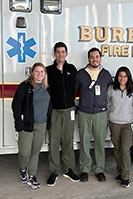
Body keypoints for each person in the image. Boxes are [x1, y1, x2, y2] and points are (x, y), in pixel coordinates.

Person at [12, 62, 52, 190]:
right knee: (24, 152)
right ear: (32, 73)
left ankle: (32, 175)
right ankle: (23, 169)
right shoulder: (25, 87)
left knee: (35, 152)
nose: (39, 74)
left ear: (45, 74)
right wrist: (19, 123)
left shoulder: (47, 88)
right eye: (37, 71)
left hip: (42, 124)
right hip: (27, 124)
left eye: (42, 72)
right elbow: (16, 104)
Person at [75, 47, 113, 182]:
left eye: (97, 57)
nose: (94, 59)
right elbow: (72, 90)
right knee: (84, 142)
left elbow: (111, 92)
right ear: (88, 59)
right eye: (92, 57)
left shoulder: (106, 75)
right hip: (84, 112)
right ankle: (85, 169)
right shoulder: (81, 74)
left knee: (99, 142)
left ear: (100, 58)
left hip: (101, 113)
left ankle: (99, 169)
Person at [46, 42, 79, 186]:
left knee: (68, 140)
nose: (60, 54)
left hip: (69, 110)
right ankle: (54, 171)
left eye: (63, 52)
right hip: (54, 111)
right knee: (53, 142)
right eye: (58, 52)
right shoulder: (48, 70)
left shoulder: (72, 69)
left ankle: (68, 169)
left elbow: (77, 87)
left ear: (67, 54)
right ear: (54, 54)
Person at [107, 66, 133, 188]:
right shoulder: (111, 89)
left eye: (125, 76)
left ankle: (125, 176)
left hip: (127, 124)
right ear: (117, 77)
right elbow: (107, 103)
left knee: (125, 149)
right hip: (114, 123)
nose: (122, 78)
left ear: (128, 77)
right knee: (117, 150)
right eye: (120, 76)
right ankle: (120, 173)